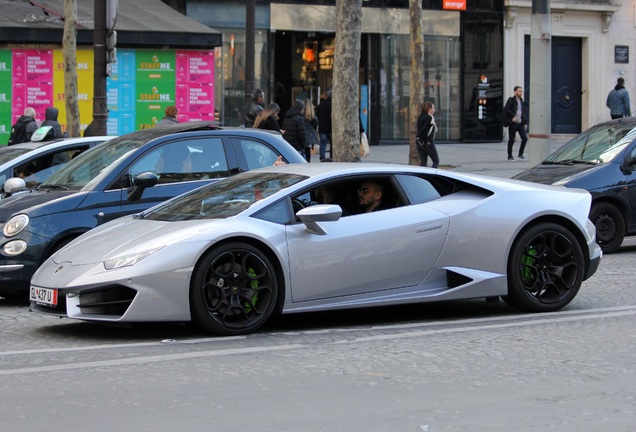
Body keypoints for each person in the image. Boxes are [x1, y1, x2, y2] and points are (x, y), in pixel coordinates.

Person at [503, 86, 529, 161]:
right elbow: (506, 109)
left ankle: (520, 154)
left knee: (524, 138)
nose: (521, 93)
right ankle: (510, 156)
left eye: (521, 91)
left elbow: (523, 113)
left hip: (520, 123)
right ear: (515, 92)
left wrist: (525, 123)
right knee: (511, 140)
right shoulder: (511, 100)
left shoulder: (521, 101)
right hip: (513, 123)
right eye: (519, 91)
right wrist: (512, 116)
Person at [416, 101, 439, 168]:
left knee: (423, 163)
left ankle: (421, 176)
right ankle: (432, 176)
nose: (434, 110)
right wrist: (426, 140)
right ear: (429, 108)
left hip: (419, 143)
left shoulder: (420, 116)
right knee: (436, 161)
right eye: (433, 108)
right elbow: (425, 130)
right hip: (427, 142)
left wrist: (420, 140)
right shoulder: (430, 118)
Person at [315, 90, 332, 160]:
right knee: (332, 144)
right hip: (331, 128)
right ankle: (332, 156)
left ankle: (322, 156)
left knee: (323, 143)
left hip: (322, 127)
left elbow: (316, 115)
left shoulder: (320, 105)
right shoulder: (334, 105)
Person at [303, 98, 319, 162]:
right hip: (308, 139)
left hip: (303, 138)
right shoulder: (312, 118)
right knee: (307, 155)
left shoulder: (300, 116)